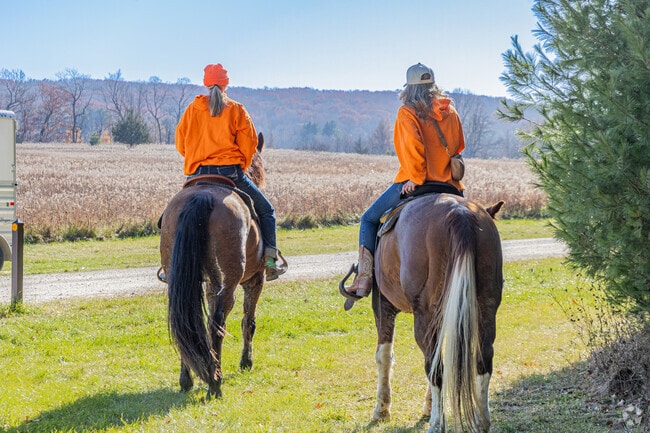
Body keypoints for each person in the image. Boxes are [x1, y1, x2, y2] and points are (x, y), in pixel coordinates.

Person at [341, 62, 466, 299]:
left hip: (418, 183)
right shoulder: (450, 111)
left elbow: (413, 149)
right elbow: (458, 146)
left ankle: (364, 279)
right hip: (450, 185)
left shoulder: (407, 113)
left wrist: (416, 179)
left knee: (368, 218)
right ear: (433, 85)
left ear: (409, 87)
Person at [175, 63, 287, 281]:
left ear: (206, 84)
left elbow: (181, 143)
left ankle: (169, 264)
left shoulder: (191, 110)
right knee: (267, 210)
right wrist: (241, 165)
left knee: (169, 217)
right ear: (226, 83)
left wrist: (196, 158)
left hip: (197, 175)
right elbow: (250, 144)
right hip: (230, 174)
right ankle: (271, 261)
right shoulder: (236, 110)